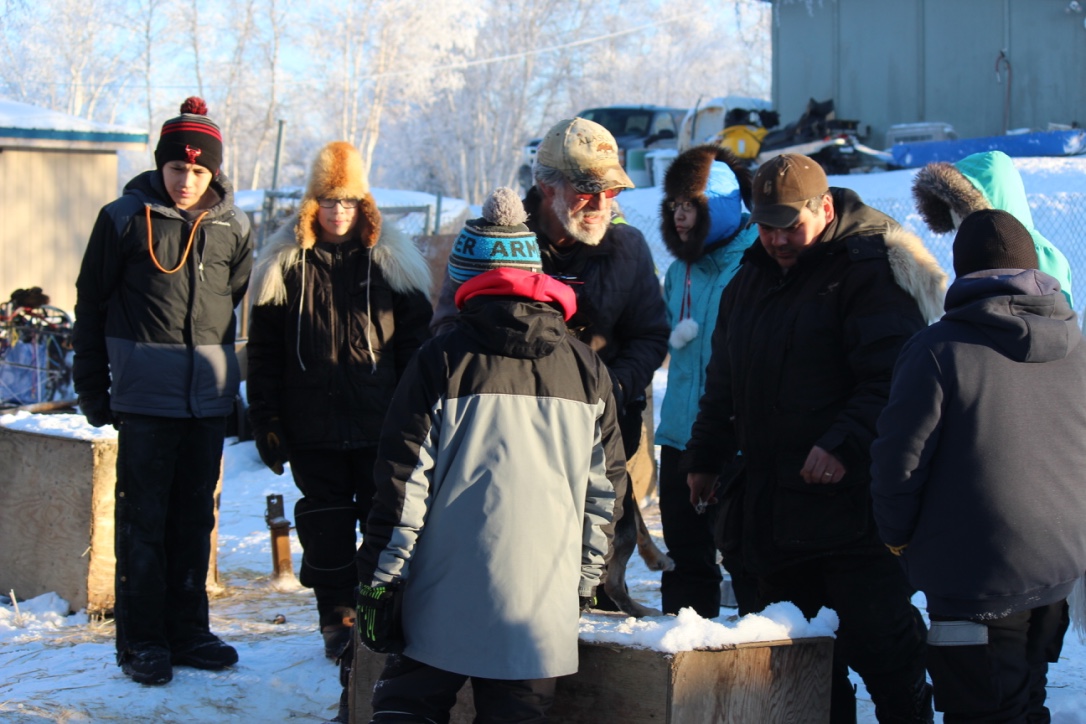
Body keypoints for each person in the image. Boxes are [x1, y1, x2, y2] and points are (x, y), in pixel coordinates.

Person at [683, 153, 946, 723]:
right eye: (765, 226)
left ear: (824, 209)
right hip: (769, 524)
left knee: (890, 666)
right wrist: (704, 454)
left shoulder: (869, 274)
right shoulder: (747, 282)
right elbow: (722, 383)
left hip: (851, 525)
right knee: (802, 680)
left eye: (789, 226)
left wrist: (843, 442)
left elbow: (895, 381)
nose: (776, 239)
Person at [356, 187, 625, 723]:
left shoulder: (442, 359)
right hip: (539, 607)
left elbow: (404, 483)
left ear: (463, 281)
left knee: (407, 708)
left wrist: (380, 581)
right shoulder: (586, 367)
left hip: (440, 599)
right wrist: (583, 582)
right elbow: (606, 491)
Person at [432, 117, 669, 611]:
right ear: (545, 186)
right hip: (511, 441)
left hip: (604, 437)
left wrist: (607, 391)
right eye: (587, 191)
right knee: (520, 573)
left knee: (601, 567)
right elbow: (447, 331)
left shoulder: (628, 249)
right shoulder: (494, 244)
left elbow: (650, 335)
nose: (603, 204)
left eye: (611, 190)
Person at [870, 209, 1086, 723]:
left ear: (962, 272)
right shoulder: (1075, 348)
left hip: (972, 576)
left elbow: (899, 463)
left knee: (981, 708)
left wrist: (898, 539)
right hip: (1057, 567)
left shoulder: (938, 350)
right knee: (1025, 698)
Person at [72, 97, 252, 685]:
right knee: (143, 523)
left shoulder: (234, 227)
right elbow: (92, 306)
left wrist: (232, 392)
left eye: (200, 170)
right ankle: (142, 641)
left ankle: (188, 631)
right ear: (161, 164)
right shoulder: (122, 219)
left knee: (194, 519)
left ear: (215, 172)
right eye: (178, 168)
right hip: (145, 401)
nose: (187, 179)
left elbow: (234, 308)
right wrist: (93, 386)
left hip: (205, 401)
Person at [246, 141, 433, 659]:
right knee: (324, 527)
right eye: (329, 201)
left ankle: (380, 618)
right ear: (313, 206)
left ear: (365, 205)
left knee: (383, 522)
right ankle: (337, 618)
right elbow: (262, 352)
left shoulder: (394, 263)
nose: (339, 212)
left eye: (349, 202)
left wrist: (419, 416)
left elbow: (418, 348)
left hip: (382, 425)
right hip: (312, 426)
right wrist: (265, 418)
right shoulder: (285, 263)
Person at [655, 145, 757, 618]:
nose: (680, 216)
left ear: (717, 207)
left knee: (748, 560)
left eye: (691, 205)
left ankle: (761, 674)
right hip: (679, 436)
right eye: (674, 204)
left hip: (737, 443)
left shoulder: (754, 265)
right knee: (686, 559)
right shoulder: (679, 272)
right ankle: (682, 663)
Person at [912, 149, 1073, 306]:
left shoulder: (1039, 252)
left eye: (962, 208)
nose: (955, 216)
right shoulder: (978, 250)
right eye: (950, 207)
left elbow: (1057, 322)